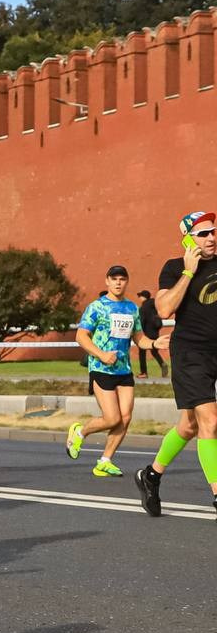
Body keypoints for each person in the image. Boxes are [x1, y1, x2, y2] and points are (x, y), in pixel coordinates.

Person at [134, 211, 217, 517]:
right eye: (203, 233)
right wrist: (189, 272)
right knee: (210, 420)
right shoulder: (174, 268)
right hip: (190, 353)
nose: (211, 237)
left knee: (189, 424)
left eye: (213, 232)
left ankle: (151, 475)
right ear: (187, 239)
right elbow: (165, 307)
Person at [65, 266, 164, 477]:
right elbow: (81, 337)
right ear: (107, 281)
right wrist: (100, 354)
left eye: (122, 279)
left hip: (123, 370)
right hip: (101, 368)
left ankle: (105, 460)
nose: (119, 283)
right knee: (112, 418)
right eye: (114, 279)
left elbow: (139, 339)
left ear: (127, 282)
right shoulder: (97, 307)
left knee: (125, 418)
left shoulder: (131, 308)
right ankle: (79, 432)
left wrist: (155, 344)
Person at [135, 290, 167, 378]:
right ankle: (162, 363)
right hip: (155, 332)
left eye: (140, 296)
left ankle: (144, 372)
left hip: (146, 333)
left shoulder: (143, 308)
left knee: (142, 353)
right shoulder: (154, 307)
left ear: (143, 297)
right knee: (154, 351)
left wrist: (140, 334)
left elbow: (142, 322)